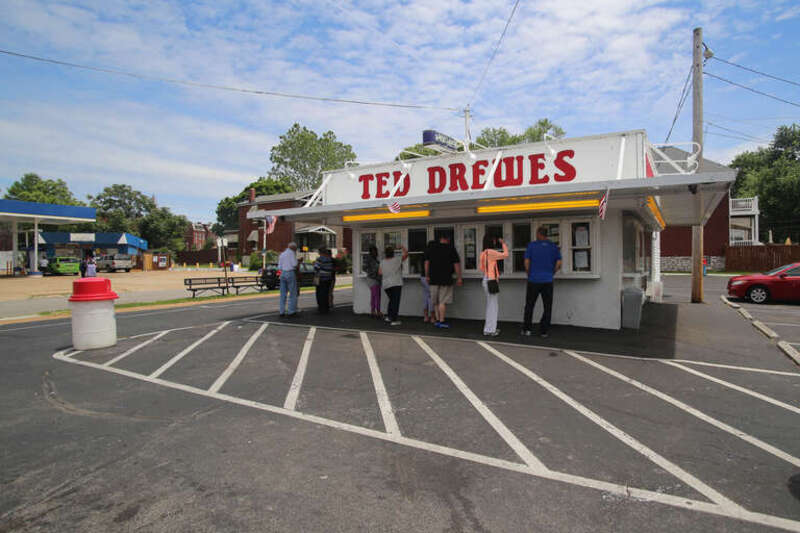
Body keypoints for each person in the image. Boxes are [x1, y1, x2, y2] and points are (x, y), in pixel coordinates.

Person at [523, 226, 562, 338]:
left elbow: (526, 263)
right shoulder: (553, 246)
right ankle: (543, 331)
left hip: (534, 280)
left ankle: (527, 329)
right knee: (547, 306)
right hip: (548, 280)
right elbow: (559, 263)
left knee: (530, 305)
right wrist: (552, 272)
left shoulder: (531, 246)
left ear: (539, 234)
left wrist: (529, 273)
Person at [424, 235, 462, 329]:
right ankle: (442, 321)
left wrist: (427, 275)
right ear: (447, 239)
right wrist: (459, 278)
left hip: (433, 278)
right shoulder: (451, 248)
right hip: (446, 278)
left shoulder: (432, 248)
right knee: (442, 302)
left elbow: (426, 263)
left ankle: (437, 320)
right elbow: (456, 264)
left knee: (436, 302)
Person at [479, 235, 509, 336]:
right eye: (494, 240)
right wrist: (503, 243)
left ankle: (488, 329)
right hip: (491, 281)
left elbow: (482, 268)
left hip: (485, 280)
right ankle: (491, 330)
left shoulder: (483, 253)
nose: (495, 242)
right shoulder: (491, 252)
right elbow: (505, 254)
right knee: (493, 306)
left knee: (490, 305)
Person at [379, 245, 408, 326]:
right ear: (393, 253)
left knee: (392, 301)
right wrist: (402, 247)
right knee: (395, 302)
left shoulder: (382, 262)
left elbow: (380, 273)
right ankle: (394, 320)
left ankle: (389, 317)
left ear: (385, 254)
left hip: (386, 285)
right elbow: (406, 254)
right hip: (396, 283)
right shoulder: (397, 259)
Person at [278, 242, 299, 317]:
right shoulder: (292, 253)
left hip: (283, 273)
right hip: (290, 272)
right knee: (293, 293)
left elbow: (279, 266)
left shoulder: (282, 254)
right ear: (293, 248)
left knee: (283, 293)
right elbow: (294, 264)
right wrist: (298, 262)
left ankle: (281, 311)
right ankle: (291, 311)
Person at [363, 245, 382, 319]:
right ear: (371, 252)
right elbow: (364, 268)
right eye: (374, 251)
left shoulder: (375, 259)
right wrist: (372, 273)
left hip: (377, 279)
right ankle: (377, 312)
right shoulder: (368, 259)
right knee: (376, 296)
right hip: (372, 279)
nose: (375, 252)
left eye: (376, 251)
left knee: (375, 296)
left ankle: (373, 311)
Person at [313, 247, 335, 313]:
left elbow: (316, 268)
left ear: (320, 253)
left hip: (321, 278)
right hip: (328, 278)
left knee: (320, 294)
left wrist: (314, 264)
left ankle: (321, 309)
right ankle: (326, 308)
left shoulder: (319, 259)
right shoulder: (330, 259)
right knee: (326, 294)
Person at [420, 240, 436, 322]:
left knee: (425, 297)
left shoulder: (424, 253)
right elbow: (427, 264)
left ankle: (425, 317)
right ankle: (432, 317)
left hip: (422, 277)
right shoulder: (430, 254)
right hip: (428, 277)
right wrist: (427, 276)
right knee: (431, 297)